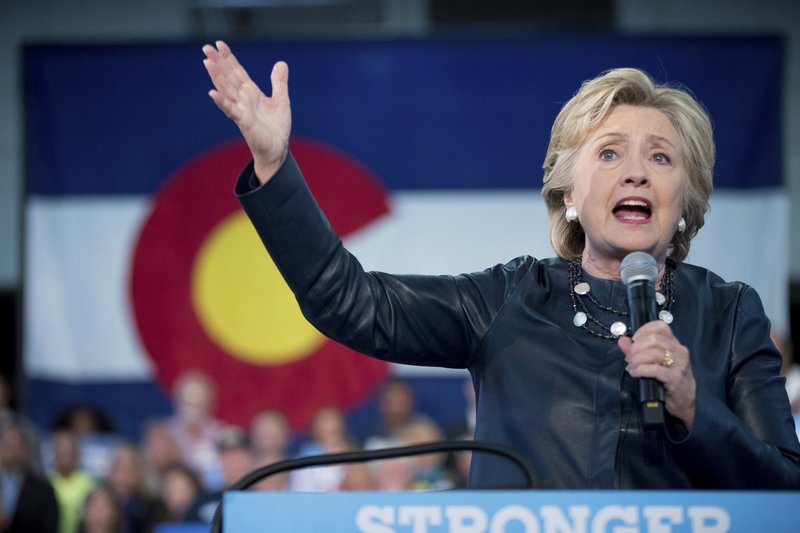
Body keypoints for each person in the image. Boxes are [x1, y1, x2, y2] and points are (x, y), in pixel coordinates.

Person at [201, 41, 800, 488]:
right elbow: (350, 302)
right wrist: (274, 165)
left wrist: (695, 405)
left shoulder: (730, 313)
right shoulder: (507, 299)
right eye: (611, 152)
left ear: (686, 199)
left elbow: (785, 491)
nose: (637, 172)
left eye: (661, 157)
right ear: (568, 193)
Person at [0, 419, 59, 532]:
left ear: (25, 449)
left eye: (13, 441)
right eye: (3, 440)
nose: (7, 445)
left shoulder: (43, 490)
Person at [48, 429, 95, 533]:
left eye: (68, 450)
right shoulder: (45, 481)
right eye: (61, 450)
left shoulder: (88, 482)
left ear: (76, 453)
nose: (65, 455)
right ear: (54, 452)